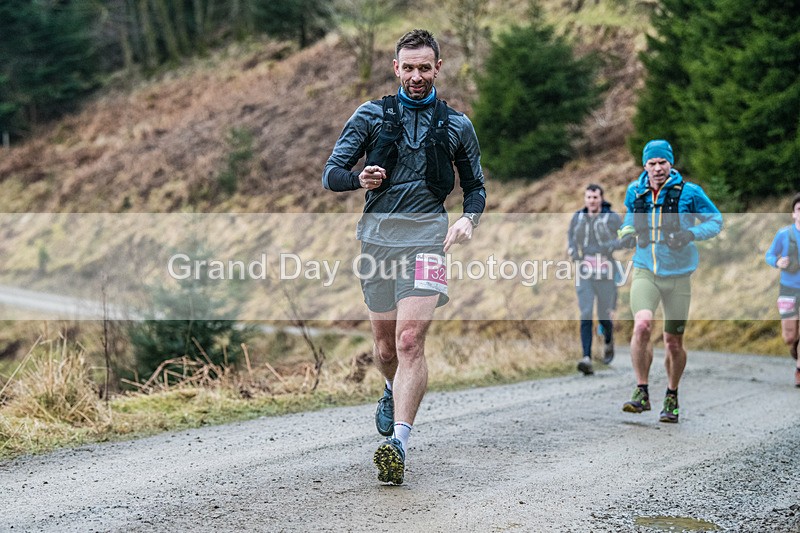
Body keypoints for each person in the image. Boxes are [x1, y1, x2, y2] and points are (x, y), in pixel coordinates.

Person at [322, 29, 486, 484]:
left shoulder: (457, 125)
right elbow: (331, 174)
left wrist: (468, 219)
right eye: (408, 68)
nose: (416, 76)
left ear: (438, 69)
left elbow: (475, 187)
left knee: (411, 339)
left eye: (424, 68)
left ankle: (398, 442)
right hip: (377, 243)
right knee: (385, 346)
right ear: (396, 68)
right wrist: (360, 180)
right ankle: (390, 389)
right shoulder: (370, 115)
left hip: (429, 241)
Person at [617, 139, 722, 423]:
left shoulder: (690, 192)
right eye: (652, 163)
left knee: (673, 342)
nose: (657, 168)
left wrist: (691, 234)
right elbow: (628, 217)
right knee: (642, 326)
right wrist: (625, 234)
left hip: (678, 277)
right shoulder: (635, 191)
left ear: (670, 163)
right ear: (644, 166)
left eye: (662, 162)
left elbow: (716, 220)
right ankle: (641, 391)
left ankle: (672, 394)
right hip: (644, 271)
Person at [567, 184, 622, 375]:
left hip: (605, 270)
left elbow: (625, 237)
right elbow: (571, 239)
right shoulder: (578, 217)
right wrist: (573, 251)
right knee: (586, 312)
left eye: (595, 197)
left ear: (601, 198)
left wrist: (609, 246)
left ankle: (608, 340)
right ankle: (586, 358)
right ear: (585, 199)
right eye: (589, 197)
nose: (592, 201)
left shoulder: (612, 218)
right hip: (585, 270)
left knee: (604, 314)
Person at [765, 192, 800, 387]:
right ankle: (796, 354)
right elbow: (769, 255)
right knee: (789, 337)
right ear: (793, 214)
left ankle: (799, 370)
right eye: (799, 209)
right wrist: (778, 261)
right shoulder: (784, 234)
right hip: (788, 288)